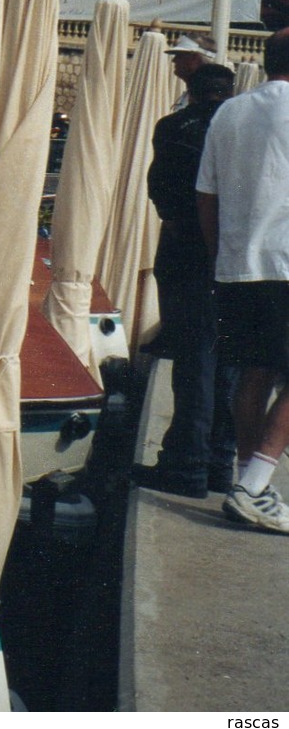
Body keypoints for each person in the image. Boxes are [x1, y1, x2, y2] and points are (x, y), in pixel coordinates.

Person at [196, 27, 289, 533]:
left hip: (236, 264)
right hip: (284, 260)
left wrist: (220, 257)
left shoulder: (228, 112)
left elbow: (205, 195)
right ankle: (253, 484)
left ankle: (248, 482)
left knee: (252, 373)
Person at [130, 62, 236, 498]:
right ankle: (219, 462)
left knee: (193, 361)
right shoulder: (239, 127)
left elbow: (164, 190)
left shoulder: (175, 126)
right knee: (228, 364)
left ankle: (186, 464)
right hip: (234, 255)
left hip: (186, 252)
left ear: (189, 90)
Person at [165, 33, 217, 109]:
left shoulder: (207, 96)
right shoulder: (193, 93)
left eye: (179, 55)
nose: (174, 60)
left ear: (195, 58)